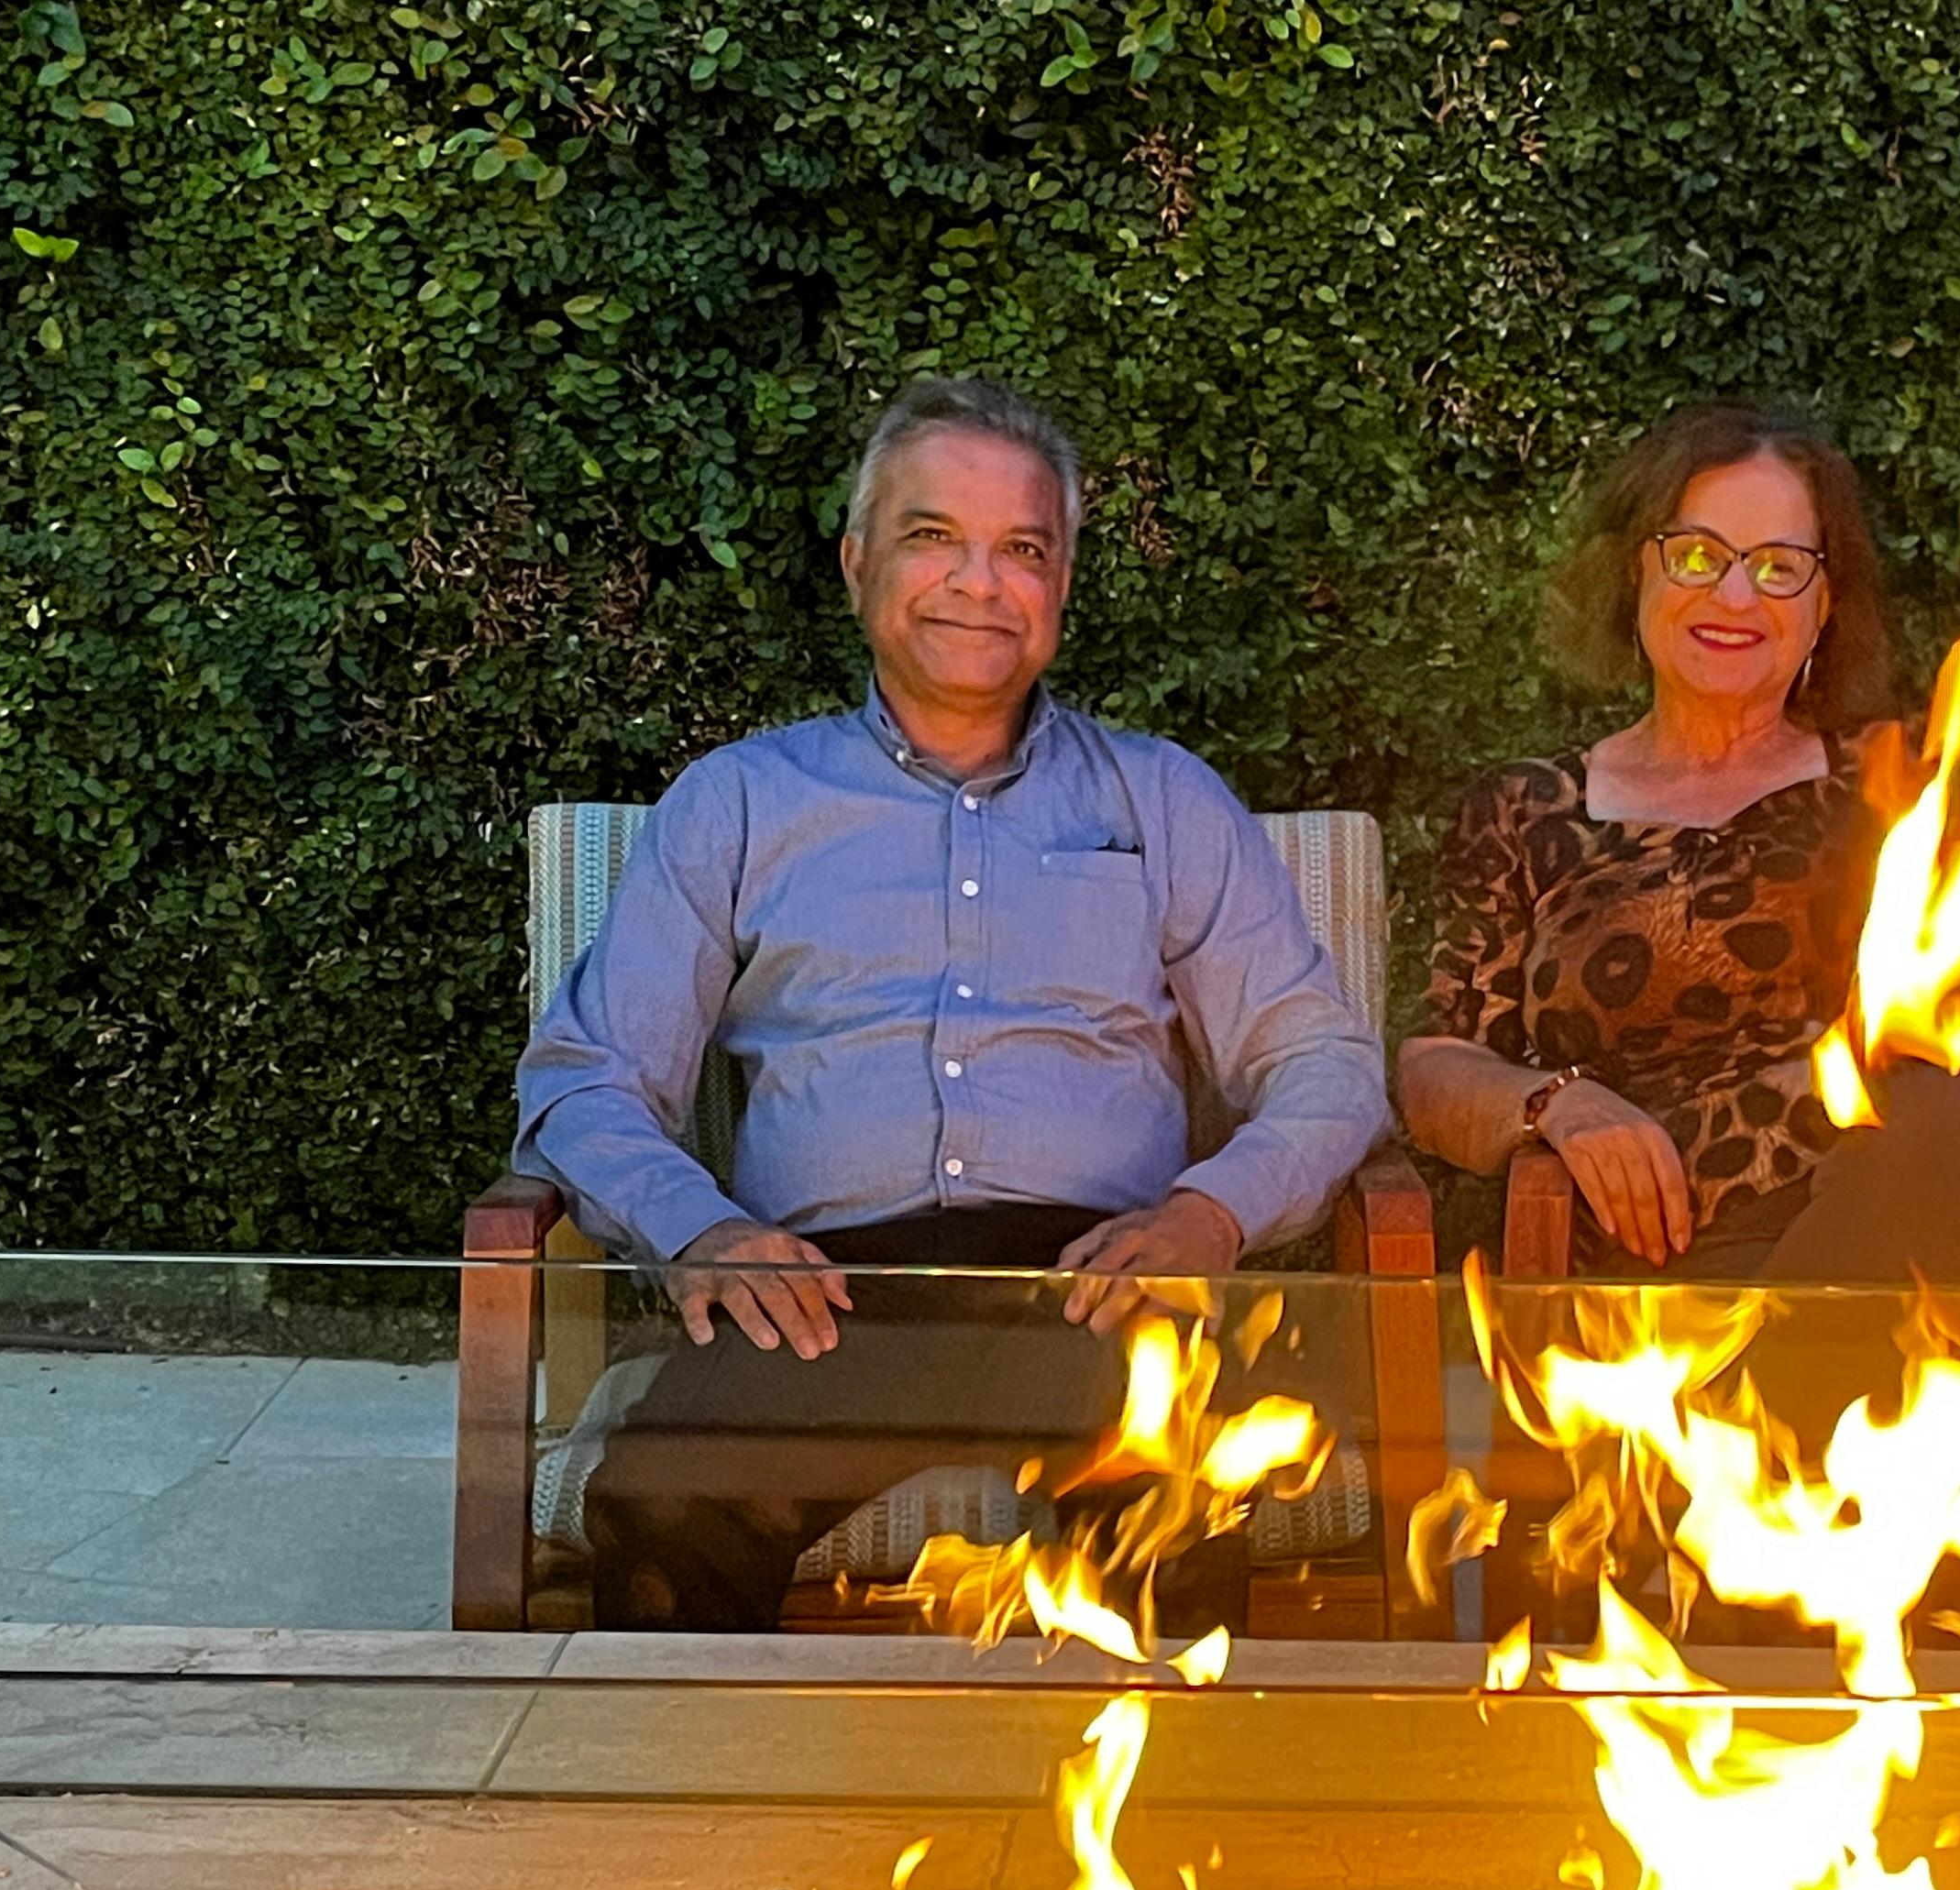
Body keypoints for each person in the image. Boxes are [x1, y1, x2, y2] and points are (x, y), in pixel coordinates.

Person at [515, 375, 1390, 1626]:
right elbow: (586, 1078)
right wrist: (701, 1233)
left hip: (1101, 1289)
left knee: (1179, 1493)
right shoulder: (742, 803)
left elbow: (1323, 1061)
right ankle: (700, 1817)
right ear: (859, 560)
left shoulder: (1166, 801)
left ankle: (1164, 1822)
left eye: (1022, 549)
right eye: (935, 538)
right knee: (671, 1500)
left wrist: (1211, 1214)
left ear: (1063, 587)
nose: (981, 582)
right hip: (825, 1301)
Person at [1400, 401, 1960, 1285]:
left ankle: (1760, 1410)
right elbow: (1436, 1066)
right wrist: (1556, 1104)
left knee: (1939, 1131)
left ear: (1824, 605)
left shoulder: (1898, 788)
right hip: (1675, 1255)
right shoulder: (1527, 811)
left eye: (1779, 568)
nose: (1734, 596)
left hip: (1959, 1213)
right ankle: (1782, 1399)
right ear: (1634, 572)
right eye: (1698, 555)